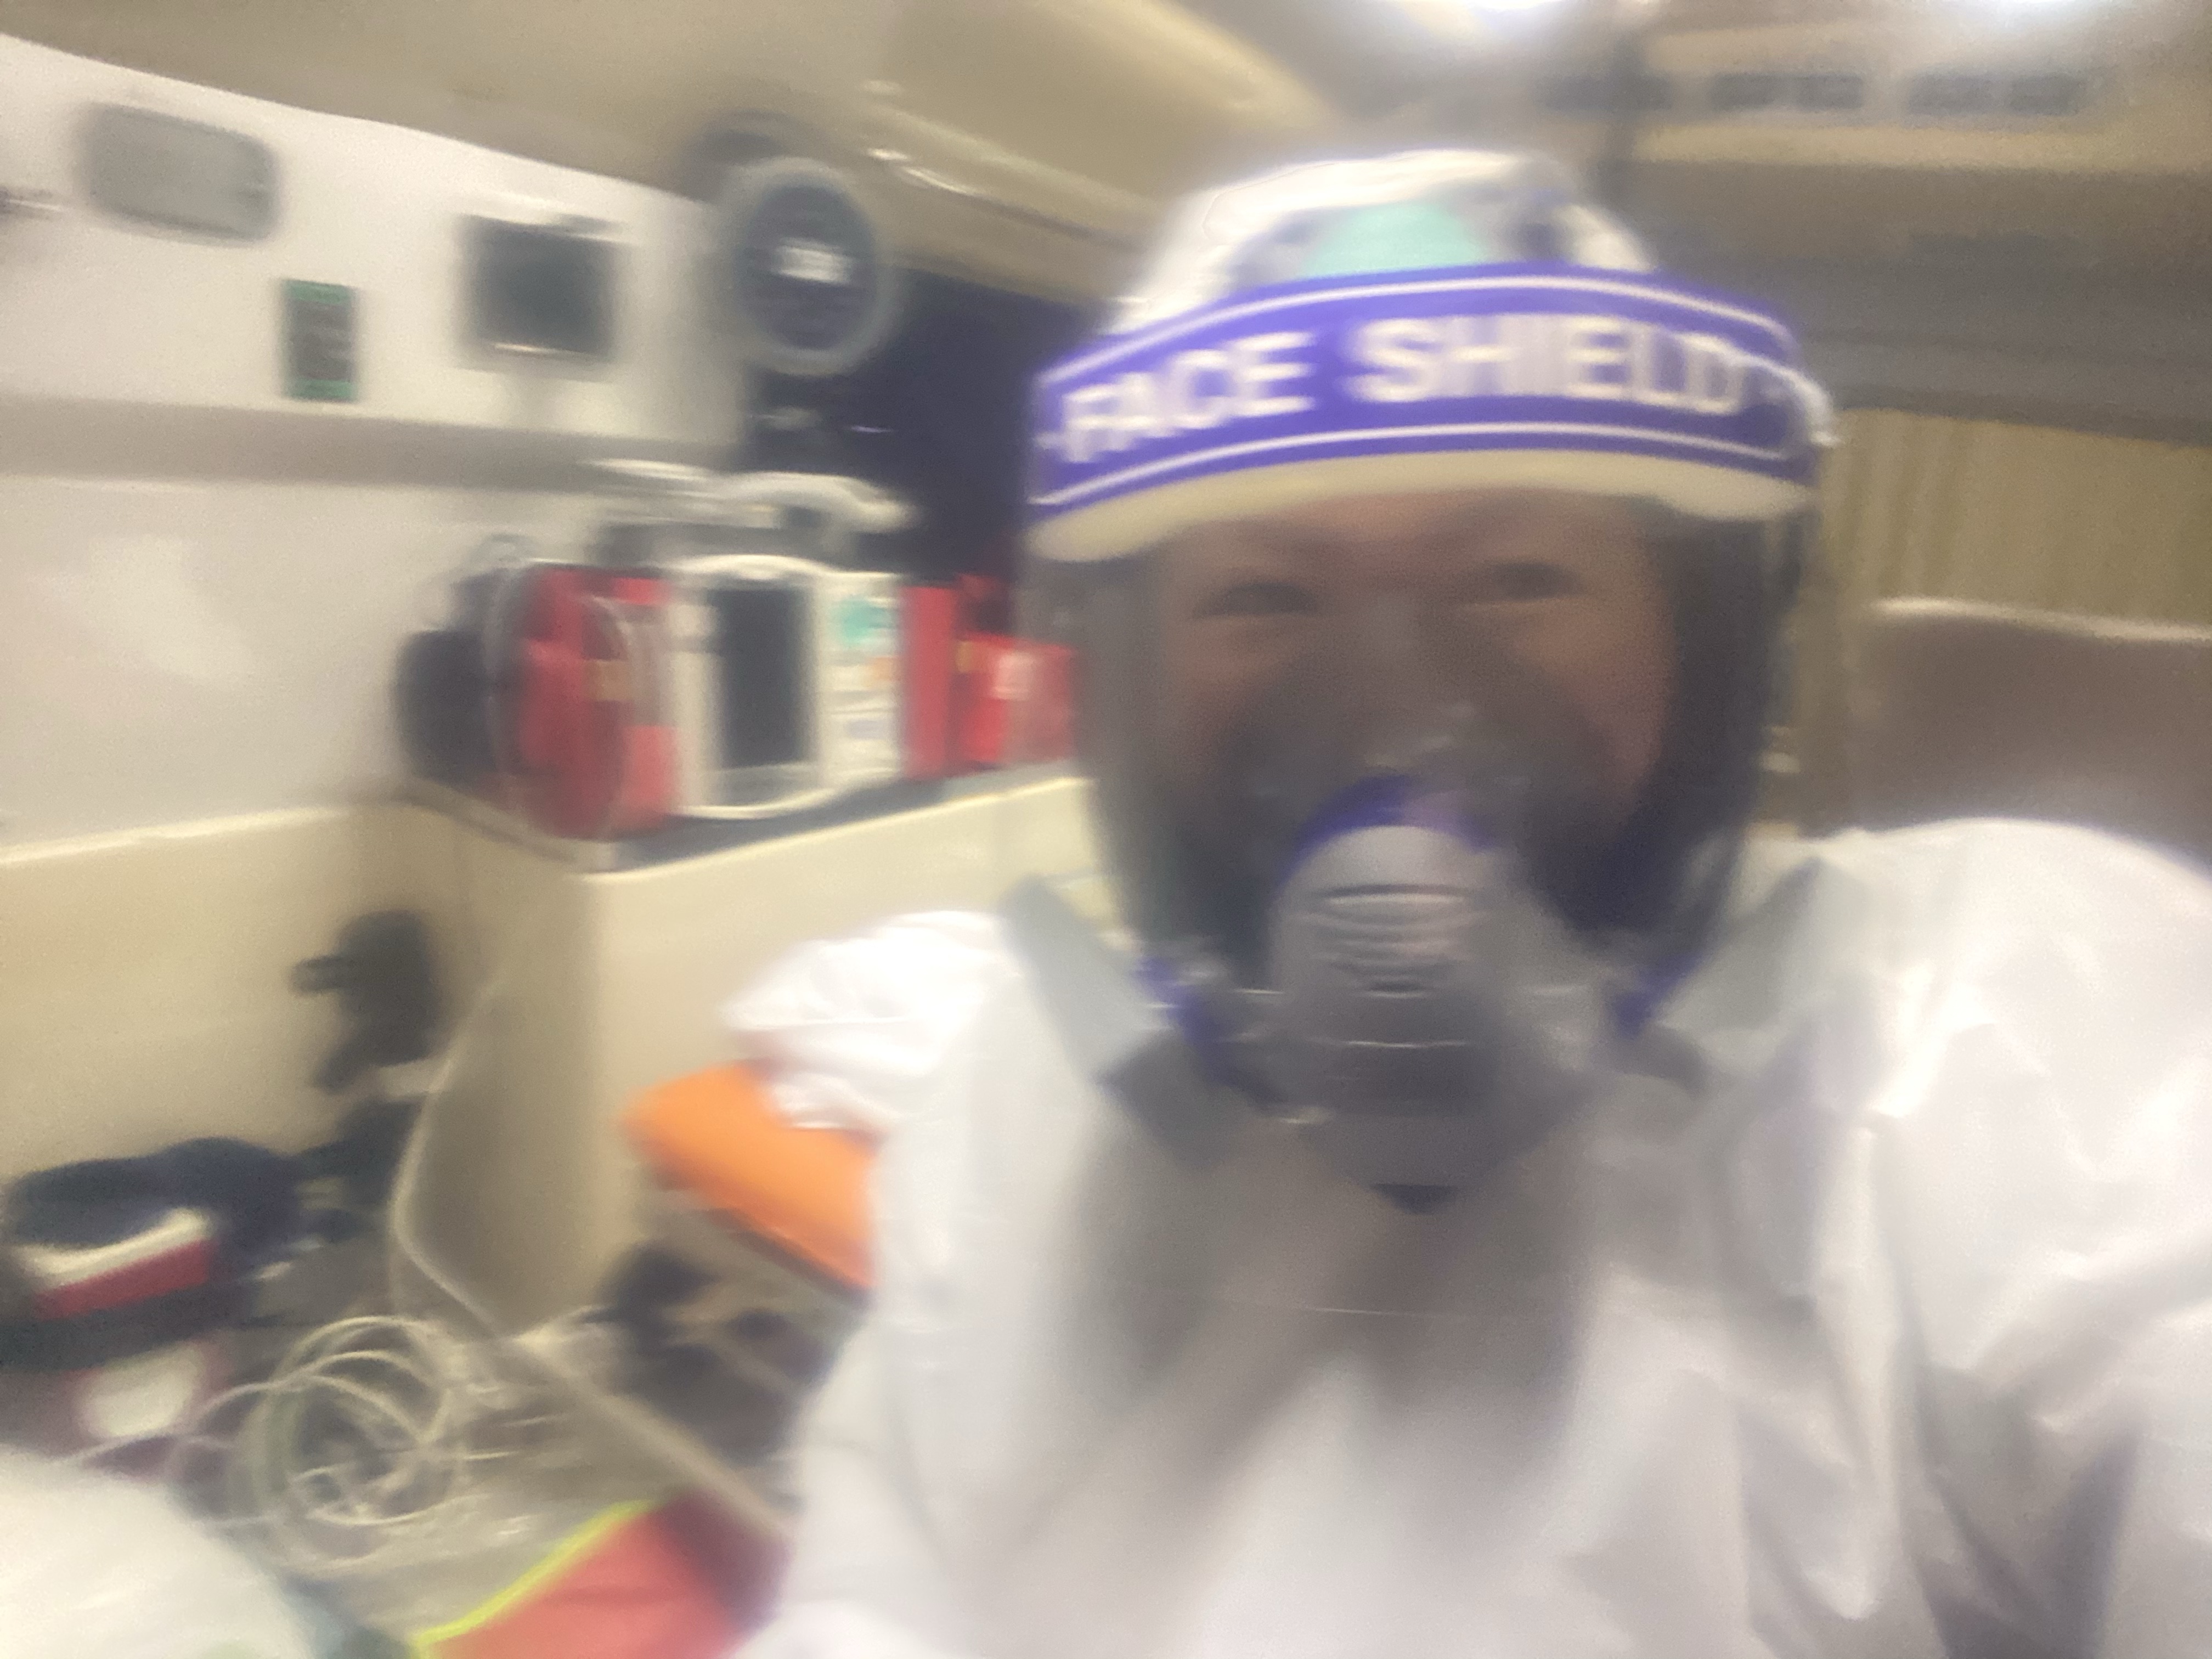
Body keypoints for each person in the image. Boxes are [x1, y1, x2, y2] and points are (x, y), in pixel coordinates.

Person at [751, 151, 2212, 1659]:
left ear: (1713, 647)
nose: (1396, 698)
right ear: (1123, 683)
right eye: (1264, 596)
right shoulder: (1022, 1120)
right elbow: (876, 1598)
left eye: (1518, 577)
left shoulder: (2007, 1052)